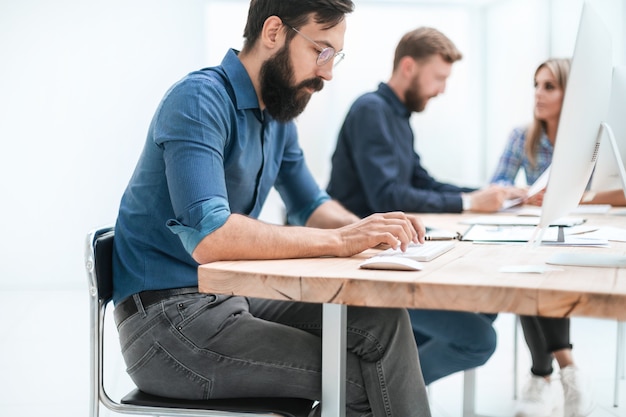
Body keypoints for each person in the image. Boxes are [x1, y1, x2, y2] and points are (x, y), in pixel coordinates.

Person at [111, 2, 433, 417]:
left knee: (381, 321)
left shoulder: (277, 118)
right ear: (274, 32)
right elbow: (211, 237)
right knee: (353, 378)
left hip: (229, 298)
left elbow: (309, 205)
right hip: (167, 327)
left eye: (335, 56)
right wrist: (341, 240)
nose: (328, 72)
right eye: (322, 51)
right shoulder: (198, 101)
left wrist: (375, 230)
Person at [326, 27, 514, 385]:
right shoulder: (371, 110)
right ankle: (372, 397)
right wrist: (470, 202)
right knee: (478, 339)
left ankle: (381, 384)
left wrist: (488, 194)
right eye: (439, 78)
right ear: (409, 66)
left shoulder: (397, 116)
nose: (441, 89)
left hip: (392, 254)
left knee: (485, 308)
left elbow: (421, 181)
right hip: (365, 266)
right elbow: (390, 197)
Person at [490, 58, 599, 417]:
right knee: (528, 271)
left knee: (536, 276)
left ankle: (542, 376)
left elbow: (615, 189)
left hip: (580, 233)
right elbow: (497, 186)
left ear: (571, 94)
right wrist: (523, 193)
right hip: (532, 233)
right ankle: (566, 371)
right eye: (536, 85)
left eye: (549, 86)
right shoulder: (522, 136)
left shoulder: (591, 141)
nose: (538, 93)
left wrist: (571, 196)